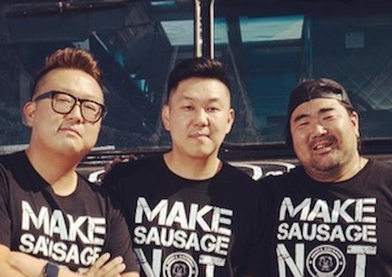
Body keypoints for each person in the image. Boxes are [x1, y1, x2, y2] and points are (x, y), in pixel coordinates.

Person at [0, 47, 139, 277]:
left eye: (90, 107)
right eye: (63, 100)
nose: (77, 115)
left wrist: (45, 270)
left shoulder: (107, 207)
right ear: (30, 113)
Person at [262, 78, 392, 277]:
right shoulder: (267, 196)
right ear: (292, 137)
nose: (317, 131)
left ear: (353, 122)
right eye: (303, 123)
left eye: (328, 117)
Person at [102, 58, 272, 276]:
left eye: (212, 108)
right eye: (188, 107)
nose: (201, 119)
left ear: (229, 120)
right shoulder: (123, 183)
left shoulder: (253, 198)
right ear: (167, 117)